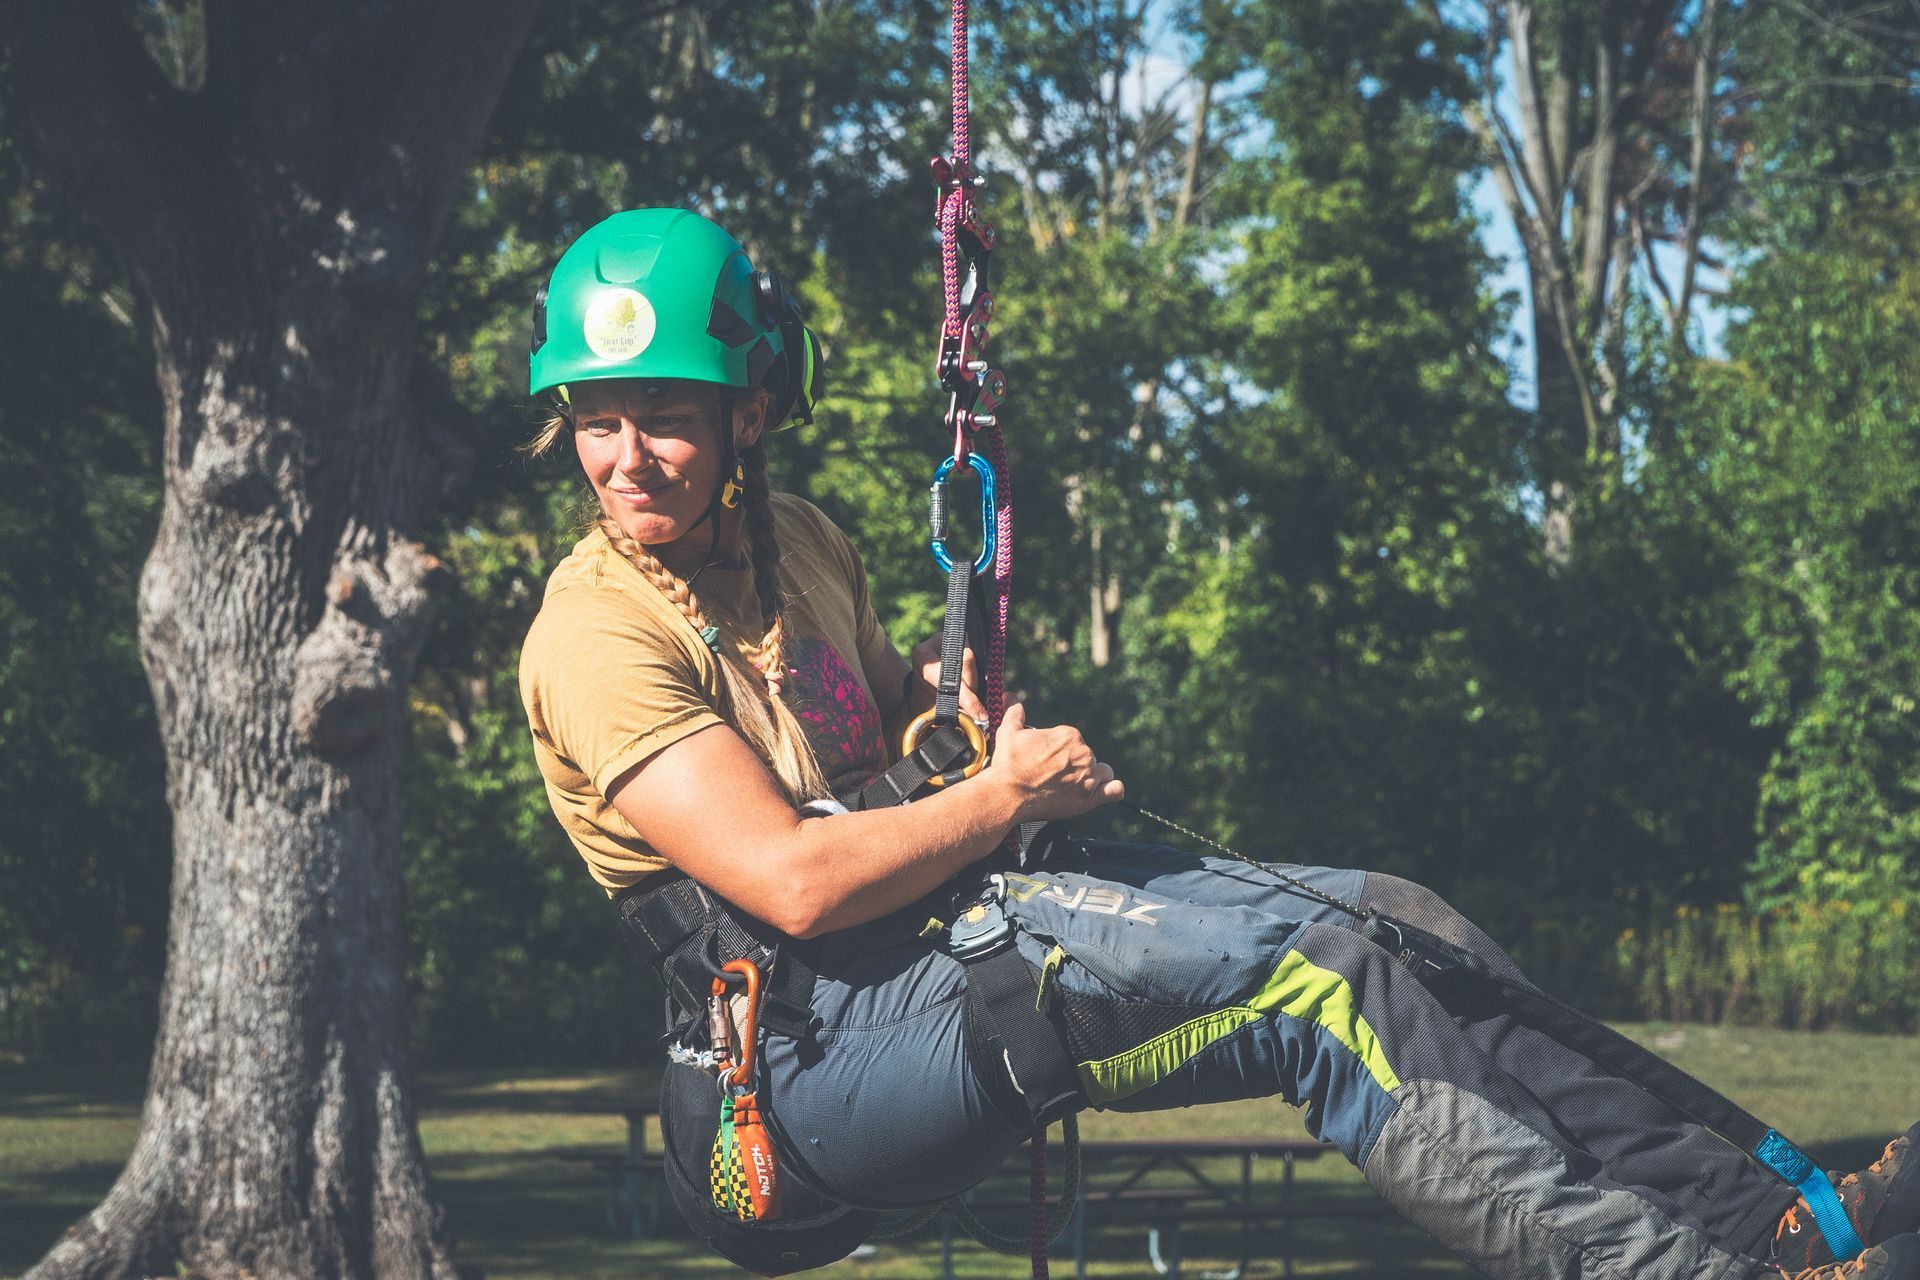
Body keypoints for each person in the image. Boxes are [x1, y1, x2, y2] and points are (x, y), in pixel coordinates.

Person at [516, 207, 1920, 1280]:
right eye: (599, 418)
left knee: (1389, 922)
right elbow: (797, 885)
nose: (627, 456)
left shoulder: (802, 541)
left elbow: (896, 723)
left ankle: (1782, 1219)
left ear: (752, 413)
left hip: (917, 954)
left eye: (671, 420)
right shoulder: (593, 637)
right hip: (790, 1087)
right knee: (1307, 986)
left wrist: (967, 714)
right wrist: (1005, 794)